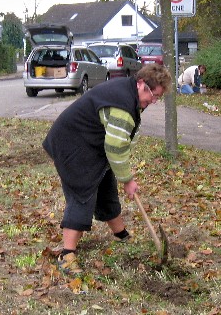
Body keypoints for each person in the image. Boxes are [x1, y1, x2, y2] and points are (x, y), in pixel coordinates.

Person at [43, 64, 172, 274]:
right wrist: (128, 180)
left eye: (158, 97)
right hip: (71, 146)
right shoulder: (123, 104)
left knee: (105, 186)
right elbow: (115, 148)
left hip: (89, 145)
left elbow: (121, 141)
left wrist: (123, 174)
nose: (154, 101)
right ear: (142, 84)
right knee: (83, 194)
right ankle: (67, 255)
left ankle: (121, 235)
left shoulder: (129, 93)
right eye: (154, 95)